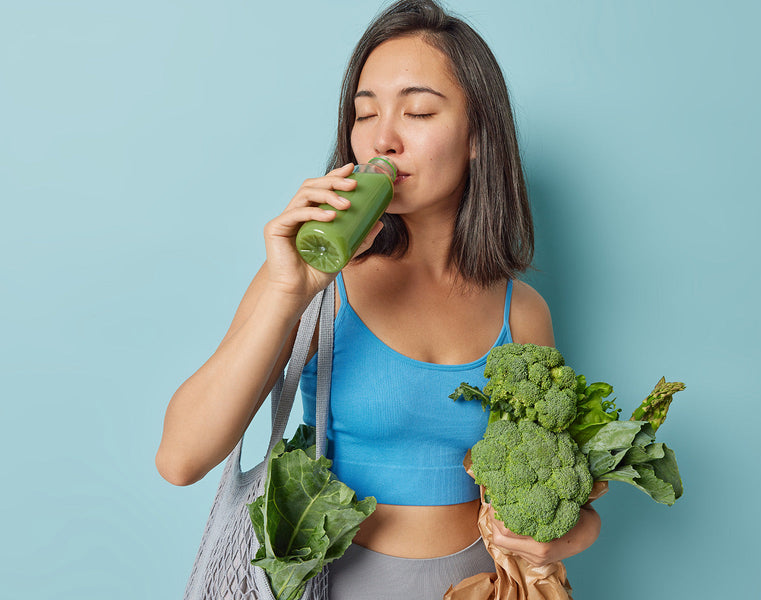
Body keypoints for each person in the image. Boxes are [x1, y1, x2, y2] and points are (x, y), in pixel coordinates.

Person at [156, 1, 601, 598]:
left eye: (417, 110)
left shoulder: (521, 312)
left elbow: (563, 498)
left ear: (477, 136)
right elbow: (180, 459)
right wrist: (289, 291)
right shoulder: (310, 283)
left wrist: (559, 541)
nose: (382, 139)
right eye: (364, 115)